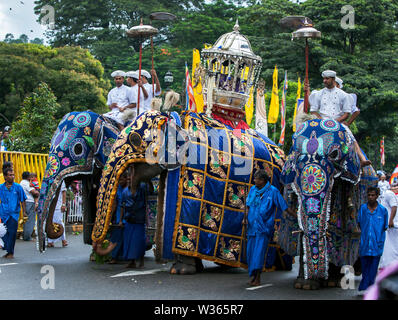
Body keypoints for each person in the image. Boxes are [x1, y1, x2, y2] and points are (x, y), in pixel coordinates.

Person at [309, 70, 371, 167]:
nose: (324, 81)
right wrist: (322, 120)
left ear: (333, 79)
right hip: (321, 123)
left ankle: (362, 159)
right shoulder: (318, 94)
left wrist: (333, 122)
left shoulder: (344, 95)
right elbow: (313, 111)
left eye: (327, 79)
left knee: (350, 136)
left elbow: (346, 114)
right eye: (324, 79)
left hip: (338, 123)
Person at [244, 169, 292, 286]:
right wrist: (245, 218)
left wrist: (297, 215)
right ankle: (253, 276)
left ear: (263, 180)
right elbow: (248, 206)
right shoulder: (253, 190)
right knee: (250, 254)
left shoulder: (273, 192)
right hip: (251, 227)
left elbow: (283, 206)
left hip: (263, 228)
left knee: (258, 254)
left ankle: (258, 278)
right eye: (255, 178)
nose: (254, 181)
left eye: (257, 179)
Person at [357, 187, 388, 292]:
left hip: (377, 243)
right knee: (365, 266)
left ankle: (370, 288)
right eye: (369, 195)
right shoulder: (363, 209)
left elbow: (385, 226)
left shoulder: (383, 210)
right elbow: (359, 223)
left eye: (373, 195)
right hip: (365, 243)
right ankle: (366, 286)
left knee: (373, 268)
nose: (371, 197)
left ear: (377, 196)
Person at [0, 167, 27, 258]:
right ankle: (8, 250)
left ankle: (10, 252)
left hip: (14, 214)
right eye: (10, 175)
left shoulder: (18, 187)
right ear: (5, 177)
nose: (12, 177)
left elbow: (23, 200)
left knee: (12, 233)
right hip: (3, 213)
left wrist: (24, 212)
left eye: (13, 175)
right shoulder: (1, 187)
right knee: (3, 232)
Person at [122, 180, 148, 269]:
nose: (130, 181)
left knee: (139, 241)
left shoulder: (142, 187)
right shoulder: (125, 191)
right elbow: (123, 205)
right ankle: (131, 261)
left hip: (139, 218)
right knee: (129, 241)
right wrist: (121, 220)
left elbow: (151, 191)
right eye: (128, 179)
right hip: (129, 218)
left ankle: (141, 260)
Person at [379, 184, 398, 270]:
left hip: (391, 225)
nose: (395, 188)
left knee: (390, 246)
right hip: (389, 225)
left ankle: (389, 266)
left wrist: (390, 221)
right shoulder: (387, 194)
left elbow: (394, 207)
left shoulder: (389, 194)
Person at [47, 181, 68, 248]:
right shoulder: (48, 179)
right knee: (49, 223)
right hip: (49, 205)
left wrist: (63, 204)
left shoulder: (61, 180)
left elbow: (64, 192)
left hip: (58, 205)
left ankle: (63, 240)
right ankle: (50, 241)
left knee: (59, 222)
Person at [20, 171, 39, 241]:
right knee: (30, 220)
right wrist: (38, 192)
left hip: (26, 202)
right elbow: (35, 192)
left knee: (26, 219)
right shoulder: (26, 183)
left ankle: (26, 235)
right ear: (28, 177)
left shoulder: (22, 183)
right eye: (30, 176)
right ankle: (27, 237)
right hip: (30, 202)